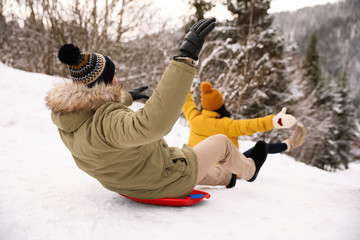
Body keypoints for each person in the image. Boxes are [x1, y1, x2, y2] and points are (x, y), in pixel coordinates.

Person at [46, 18, 269, 200]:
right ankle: (249, 170)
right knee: (220, 143)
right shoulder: (108, 123)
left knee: (187, 158)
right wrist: (185, 60)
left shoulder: (68, 123)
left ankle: (228, 177)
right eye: (113, 77)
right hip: (159, 181)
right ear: (101, 86)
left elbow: (97, 113)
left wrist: (125, 98)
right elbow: (151, 124)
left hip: (130, 179)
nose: (117, 81)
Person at [182, 81, 306, 187]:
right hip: (227, 170)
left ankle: (289, 144)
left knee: (257, 149)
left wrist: (184, 77)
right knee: (261, 148)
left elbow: (186, 101)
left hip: (198, 166)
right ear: (221, 106)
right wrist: (273, 121)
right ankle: (289, 144)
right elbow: (251, 124)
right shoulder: (228, 125)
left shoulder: (194, 119)